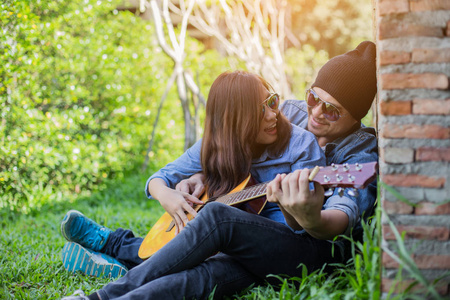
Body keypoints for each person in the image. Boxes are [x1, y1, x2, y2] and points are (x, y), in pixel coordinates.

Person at [62, 40, 378, 300]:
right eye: (313, 97)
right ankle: (114, 263)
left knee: (215, 220)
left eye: (333, 110)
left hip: (307, 244)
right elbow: (228, 141)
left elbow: (341, 216)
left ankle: (106, 276)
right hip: (248, 236)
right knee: (205, 273)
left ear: (356, 117)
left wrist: (311, 217)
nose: (316, 113)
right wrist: (201, 175)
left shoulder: (358, 154)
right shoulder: (287, 111)